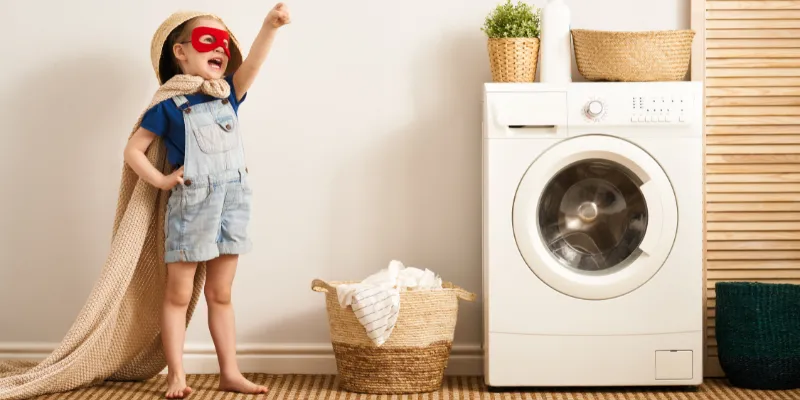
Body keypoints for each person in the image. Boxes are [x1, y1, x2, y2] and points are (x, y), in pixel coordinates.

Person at [123, 4, 290, 399]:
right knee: (178, 294)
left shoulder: (228, 93)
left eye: (224, 44)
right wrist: (163, 180)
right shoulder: (168, 104)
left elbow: (254, 65)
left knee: (222, 293)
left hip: (233, 201)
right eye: (207, 41)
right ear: (180, 51)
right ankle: (176, 375)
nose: (220, 49)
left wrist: (270, 26)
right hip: (192, 205)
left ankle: (229, 373)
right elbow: (133, 150)